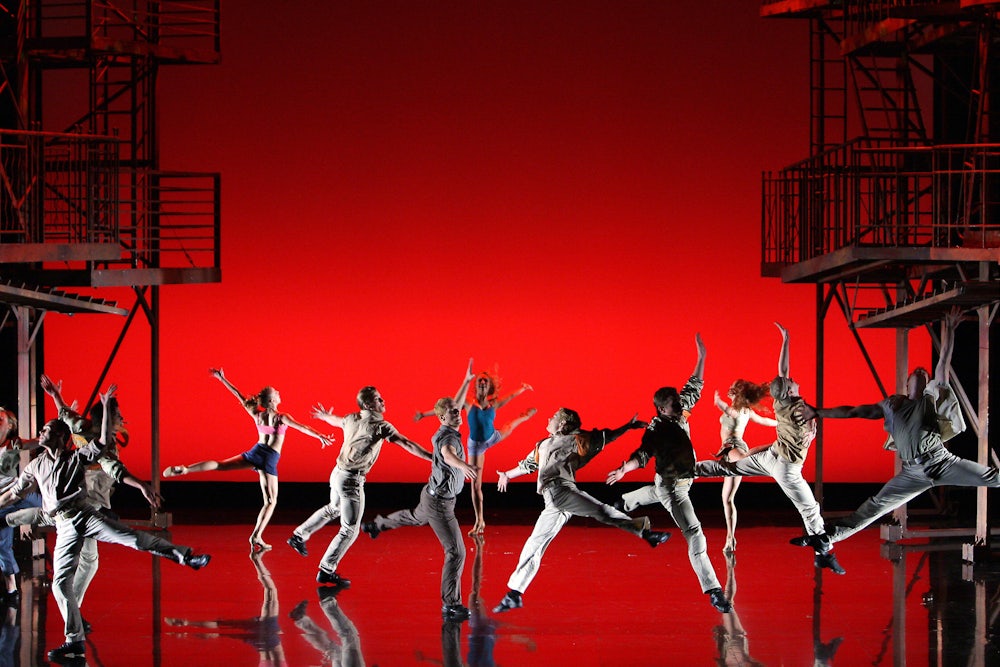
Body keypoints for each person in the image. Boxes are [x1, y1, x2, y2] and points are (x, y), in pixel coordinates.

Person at [0, 385, 211, 663]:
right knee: (60, 582)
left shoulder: (76, 457)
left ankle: (185, 556)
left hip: (85, 514)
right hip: (61, 522)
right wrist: (56, 396)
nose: (42, 432)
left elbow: (100, 446)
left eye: (47, 429)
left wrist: (106, 404)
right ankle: (74, 642)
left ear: (62, 437)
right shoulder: (36, 465)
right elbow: (14, 493)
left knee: (130, 538)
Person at [794, 308, 1000, 546]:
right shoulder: (892, 406)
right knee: (875, 505)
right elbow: (854, 411)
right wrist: (818, 412)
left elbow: (943, 364)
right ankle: (828, 537)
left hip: (942, 462)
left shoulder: (928, 400)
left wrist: (951, 331)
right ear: (907, 384)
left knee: (993, 478)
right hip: (912, 473)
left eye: (925, 375)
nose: (921, 373)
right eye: (916, 373)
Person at [695, 323, 845, 575]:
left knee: (731, 468)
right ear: (789, 390)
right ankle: (823, 553)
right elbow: (809, 418)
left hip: (770, 456)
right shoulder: (800, 409)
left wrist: (786, 340)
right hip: (786, 466)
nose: (793, 379)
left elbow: (783, 371)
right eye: (791, 382)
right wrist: (811, 427)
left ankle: (687, 469)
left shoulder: (781, 401)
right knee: (809, 508)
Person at [491, 408, 670, 614]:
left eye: (554, 417)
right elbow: (528, 465)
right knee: (535, 543)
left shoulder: (575, 440)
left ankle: (645, 533)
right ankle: (514, 594)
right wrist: (507, 475)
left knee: (601, 511)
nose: (549, 418)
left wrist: (626, 427)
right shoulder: (543, 444)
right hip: (553, 502)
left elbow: (604, 438)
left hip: (563, 491)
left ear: (562, 424)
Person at [606, 333, 732, 612]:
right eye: (674, 404)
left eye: (678, 401)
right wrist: (625, 468)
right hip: (675, 487)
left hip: (681, 477)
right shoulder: (658, 428)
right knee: (695, 534)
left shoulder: (678, 410)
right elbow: (643, 454)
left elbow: (694, 386)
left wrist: (702, 357)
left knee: (660, 489)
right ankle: (713, 590)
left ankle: (624, 502)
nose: (680, 406)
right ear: (662, 409)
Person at [163, 368, 333, 552]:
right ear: (271, 400)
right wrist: (320, 435)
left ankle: (186, 469)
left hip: (256, 452)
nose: (279, 393)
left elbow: (238, 395)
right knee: (271, 501)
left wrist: (222, 379)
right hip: (268, 458)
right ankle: (256, 536)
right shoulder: (281, 417)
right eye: (276, 392)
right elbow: (302, 427)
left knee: (220, 465)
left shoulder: (257, 414)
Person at [287, 386, 433, 589]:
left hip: (337, 474)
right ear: (368, 404)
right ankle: (326, 569)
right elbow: (406, 443)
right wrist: (433, 458)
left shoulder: (351, 419)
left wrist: (325, 416)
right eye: (378, 399)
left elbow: (336, 420)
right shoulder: (380, 426)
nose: (383, 401)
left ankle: (298, 536)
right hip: (351, 481)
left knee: (333, 508)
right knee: (350, 529)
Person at [361, 396, 477, 621]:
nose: (458, 413)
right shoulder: (447, 436)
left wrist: (466, 380)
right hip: (440, 504)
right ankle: (451, 604)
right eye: (452, 412)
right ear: (442, 417)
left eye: (458, 410)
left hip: (431, 496)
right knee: (456, 552)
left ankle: (377, 525)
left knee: (415, 517)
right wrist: (463, 465)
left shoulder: (449, 432)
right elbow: (448, 454)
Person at [416, 360, 535, 535]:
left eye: (486, 380)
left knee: (509, 425)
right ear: (476, 384)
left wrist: (522, 389)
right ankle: (480, 520)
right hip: (476, 447)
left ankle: (525, 416)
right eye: (480, 380)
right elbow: (447, 408)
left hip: (492, 437)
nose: (483, 382)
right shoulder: (468, 402)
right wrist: (424, 414)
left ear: (489, 386)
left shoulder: (494, 403)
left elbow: (509, 397)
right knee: (475, 484)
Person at [712, 379, 777, 554]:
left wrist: (718, 402)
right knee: (727, 498)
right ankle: (730, 537)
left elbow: (729, 411)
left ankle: (774, 446)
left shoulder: (739, 410)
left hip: (734, 446)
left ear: (737, 392)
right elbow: (764, 420)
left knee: (743, 459)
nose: (729, 388)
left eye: (732, 387)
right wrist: (780, 423)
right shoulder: (746, 410)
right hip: (730, 449)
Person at [0, 407, 40, 602]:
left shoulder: (13, 443)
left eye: (0, 420)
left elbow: (35, 442)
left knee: (49, 507)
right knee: (2, 543)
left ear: (9, 426)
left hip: (18, 492)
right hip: (2, 502)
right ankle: (11, 588)